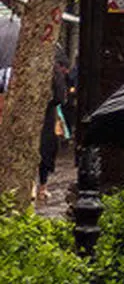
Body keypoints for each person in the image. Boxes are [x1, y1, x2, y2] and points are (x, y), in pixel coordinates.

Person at [37, 48, 71, 202]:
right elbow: (60, 98)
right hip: (46, 117)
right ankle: (42, 187)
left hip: (31, 115)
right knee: (45, 151)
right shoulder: (55, 73)